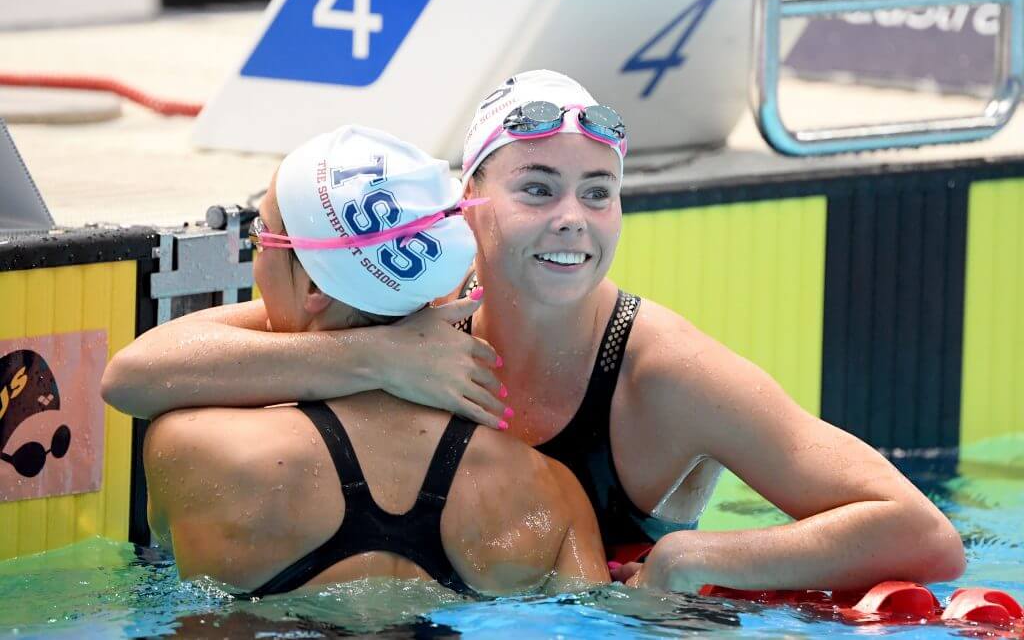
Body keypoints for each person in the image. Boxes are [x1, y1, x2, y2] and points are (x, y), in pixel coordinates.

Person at [104, 71, 966, 594]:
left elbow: (924, 534)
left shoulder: (664, 372)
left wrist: (703, 556)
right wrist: (367, 354)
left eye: (599, 193)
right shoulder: (415, 306)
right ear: (466, 204)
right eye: (539, 188)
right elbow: (140, 375)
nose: (573, 221)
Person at [138, 125, 609, 597]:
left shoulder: (194, 448)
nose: (255, 257)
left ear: (316, 287)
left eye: (261, 236)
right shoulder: (549, 493)